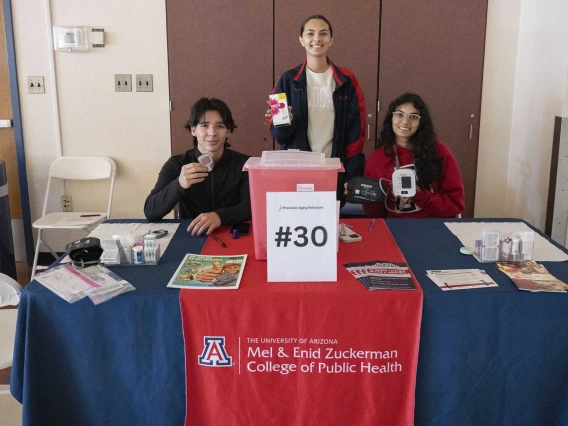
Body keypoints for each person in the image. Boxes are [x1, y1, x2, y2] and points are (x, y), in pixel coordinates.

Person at [266, 14, 366, 193]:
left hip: (332, 169)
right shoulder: (287, 80)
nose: (317, 39)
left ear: (331, 40)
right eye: (310, 34)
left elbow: (356, 131)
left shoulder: (347, 80)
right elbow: (280, 136)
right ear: (301, 40)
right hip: (295, 170)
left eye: (323, 33)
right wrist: (285, 120)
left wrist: (351, 173)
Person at [144, 97, 251, 235]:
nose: (212, 133)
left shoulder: (244, 164)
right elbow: (151, 211)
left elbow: (251, 206)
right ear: (193, 130)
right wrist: (179, 184)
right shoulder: (177, 164)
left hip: (231, 234)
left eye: (220, 126)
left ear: (228, 131)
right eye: (204, 125)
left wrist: (220, 216)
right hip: (191, 234)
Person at [363, 93, 464, 218]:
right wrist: (371, 196)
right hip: (395, 229)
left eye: (413, 117)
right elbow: (373, 214)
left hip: (435, 227)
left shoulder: (440, 151)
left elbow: (455, 204)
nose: (405, 122)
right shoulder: (376, 159)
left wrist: (418, 194)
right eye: (399, 115)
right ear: (391, 118)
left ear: (421, 122)